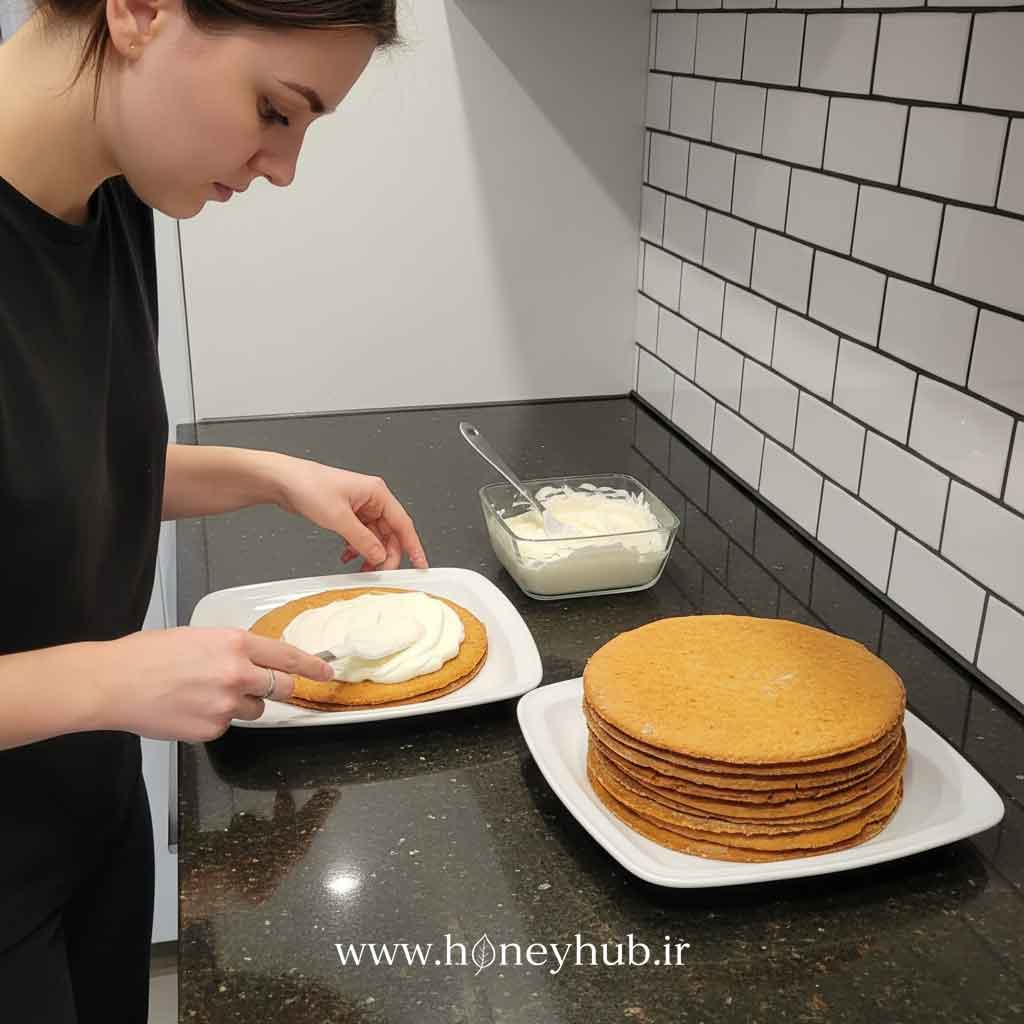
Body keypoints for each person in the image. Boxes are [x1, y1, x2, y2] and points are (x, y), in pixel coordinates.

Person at [0, 0, 425, 1018]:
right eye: (277, 111)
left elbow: (58, 466)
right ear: (141, 10)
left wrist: (272, 475)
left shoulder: (113, 199)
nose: (281, 168)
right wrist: (107, 675)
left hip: (94, 828)